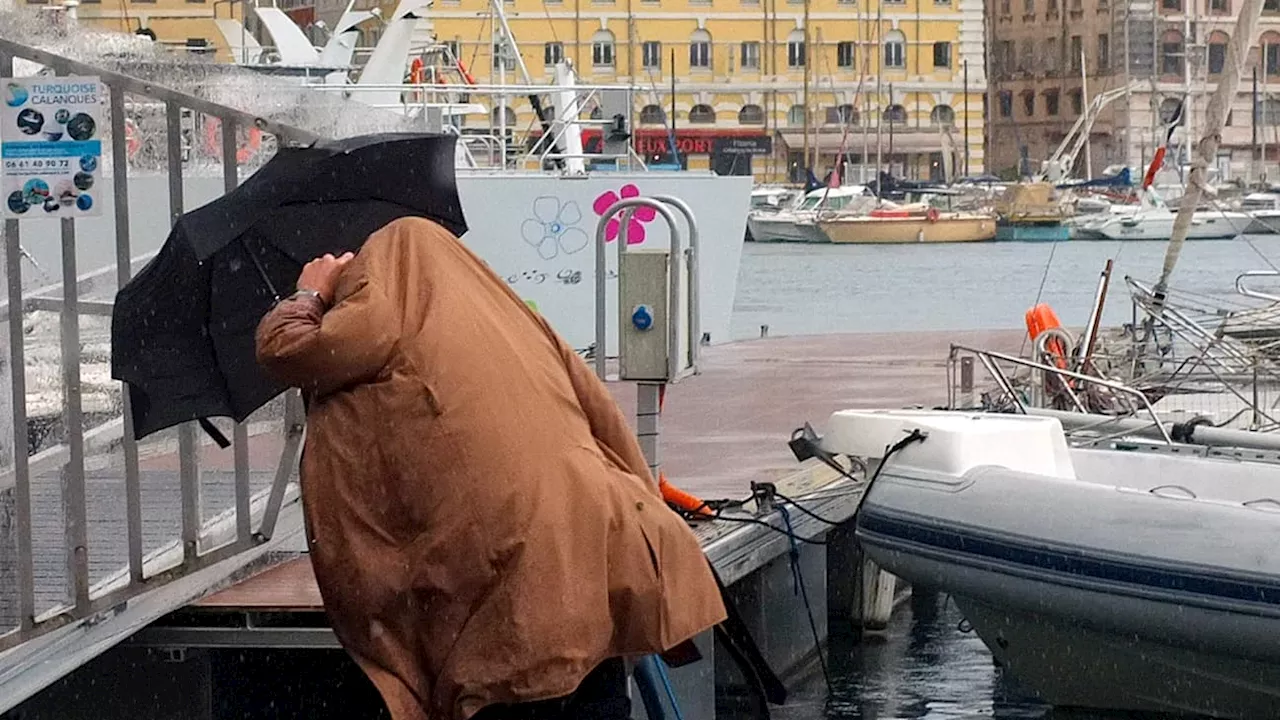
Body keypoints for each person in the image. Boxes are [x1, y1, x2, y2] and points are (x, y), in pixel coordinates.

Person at [254, 216, 727, 720]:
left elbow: (289, 349)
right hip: (594, 566)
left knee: (519, 678)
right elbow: (605, 419)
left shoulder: (378, 302)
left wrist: (309, 294)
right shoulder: (505, 315)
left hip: (513, 611)